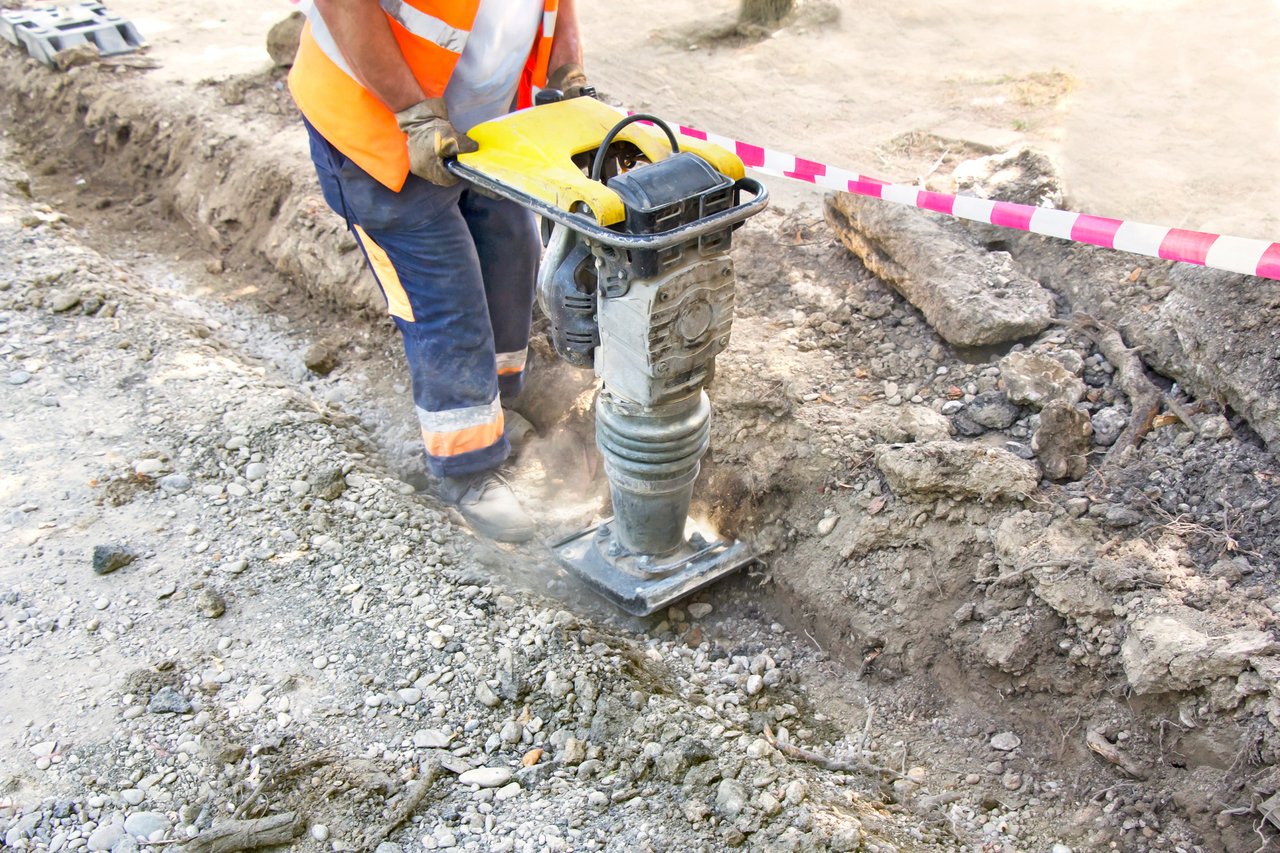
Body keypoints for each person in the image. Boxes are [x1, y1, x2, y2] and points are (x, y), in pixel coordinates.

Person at [288, 0, 589, 543]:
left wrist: (566, 69)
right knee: (446, 294)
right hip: (378, 124)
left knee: (511, 254)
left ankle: (494, 410)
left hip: (486, 124)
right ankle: (467, 468)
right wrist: (414, 112)